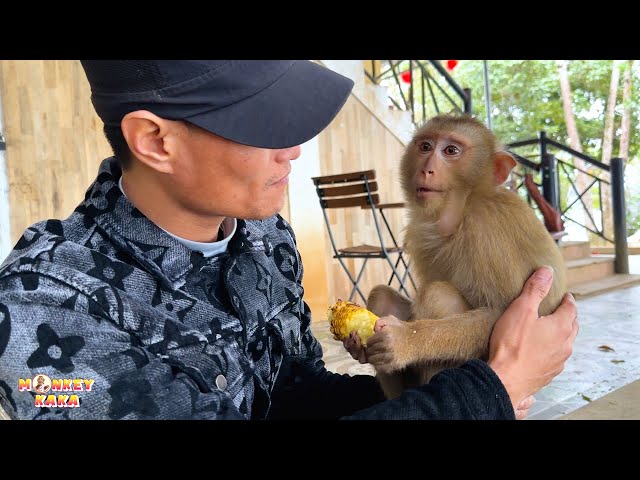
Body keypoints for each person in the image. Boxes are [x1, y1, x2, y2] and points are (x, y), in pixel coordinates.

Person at [0, 60, 578, 420]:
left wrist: (454, 394)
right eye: (261, 122)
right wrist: (487, 392)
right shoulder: (45, 309)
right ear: (155, 141)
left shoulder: (262, 236)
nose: (293, 149)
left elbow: (287, 397)